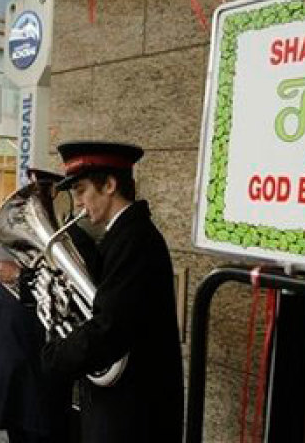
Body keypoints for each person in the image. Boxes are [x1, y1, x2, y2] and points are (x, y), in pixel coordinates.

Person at [41, 141, 184, 442]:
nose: (77, 202)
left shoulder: (134, 239)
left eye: (81, 190)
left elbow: (110, 328)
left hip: (134, 412)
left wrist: (57, 356)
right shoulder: (121, 236)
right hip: (122, 406)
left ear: (108, 184)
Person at [0, 168, 95, 443]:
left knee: (43, 431)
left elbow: (68, 297)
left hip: (40, 358)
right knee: (21, 429)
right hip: (16, 360)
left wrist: (18, 276)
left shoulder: (75, 239)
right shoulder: (21, 241)